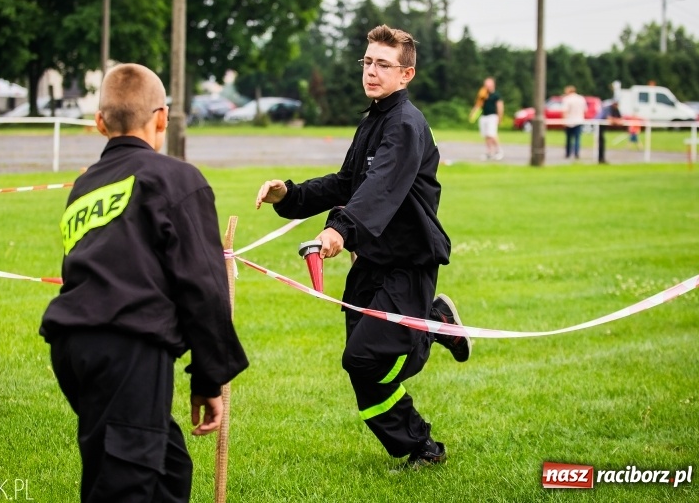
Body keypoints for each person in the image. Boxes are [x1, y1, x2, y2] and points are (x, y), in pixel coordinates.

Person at [255, 25, 471, 469]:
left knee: (366, 356)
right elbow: (346, 182)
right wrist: (290, 196)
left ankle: (430, 324)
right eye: (368, 62)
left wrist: (340, 231)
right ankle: (421, 448)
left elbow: (381, 187)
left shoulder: (406, 125)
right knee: (360, 364)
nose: (372, 72)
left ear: (405, 74)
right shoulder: (374, 117)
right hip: (372, 259)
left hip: (407, 263)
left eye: (383, 65)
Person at [40, 63, 248, 503]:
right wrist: (210, 379)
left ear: (99, 123)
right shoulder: (176, 178)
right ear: (162, 118)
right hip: (126, 346)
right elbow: (203, 286)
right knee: (123, 484)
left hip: (72, 349)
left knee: (168, 466)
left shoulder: (84, 187)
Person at [469, 77, 504, 160]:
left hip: (492, 116)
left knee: (492, 134)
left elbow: (500, 107)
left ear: (492, 85)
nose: (486, 86)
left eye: (488, 84)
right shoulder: (483, 94)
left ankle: (498, 151)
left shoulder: (496, 95)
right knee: (486, 135)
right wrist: (473, 112)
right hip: (484, 116)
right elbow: (478, 104)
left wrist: (500, 117)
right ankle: (489, 152)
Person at [562, 85, 587, 159]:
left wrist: (564, 120)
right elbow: (585, 110)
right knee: (577, 138)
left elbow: (565, 111)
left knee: (568, 138)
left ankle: (568, 153)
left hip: (569, 121)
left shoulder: (567, 99)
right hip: (578, 120)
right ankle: (576, 153)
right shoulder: (581, 98)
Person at [597, 100, 622, 164]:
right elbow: (609, 119)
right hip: (598, 126)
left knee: (602, 142)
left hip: (603, 126)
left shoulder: (616, 109)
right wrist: (616, 121)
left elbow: (620, 118)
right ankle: (600, 159)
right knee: (600, 142)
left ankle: (601, 159)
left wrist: (617, 121)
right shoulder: (608, 108)